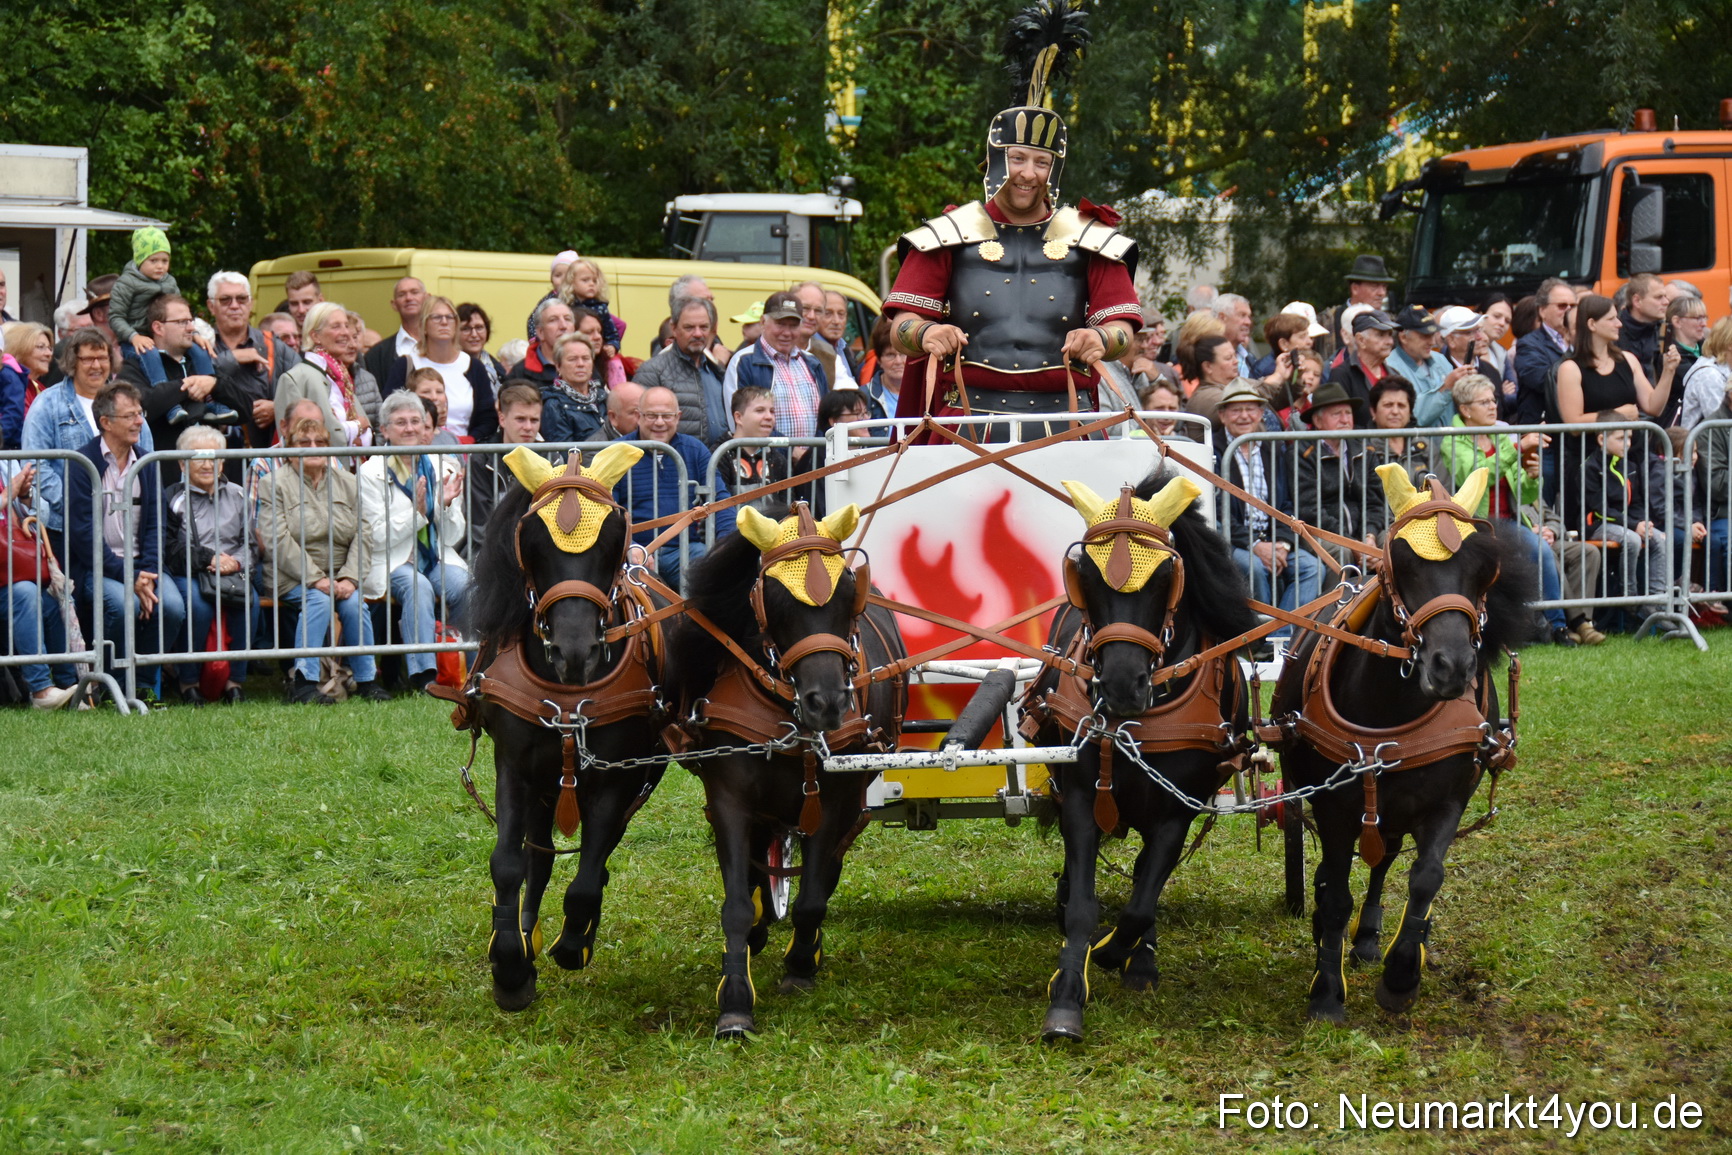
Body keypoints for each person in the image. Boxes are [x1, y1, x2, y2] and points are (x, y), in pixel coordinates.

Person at [881, 11, 1139, 434]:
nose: (1028, 173)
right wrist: (925, 333)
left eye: (1042, 162)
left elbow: (1123, 326)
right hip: (962, 422)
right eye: (1017, 158)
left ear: (1054, 169)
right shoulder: (949, 233)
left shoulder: (1089, 237)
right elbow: (900, 326)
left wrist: (1103, 339)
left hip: (1066, 420)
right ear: (996, 161)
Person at [1436, 374, 1575, 645]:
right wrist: (1516, 448)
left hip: (1508, 521)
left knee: (1542, 552)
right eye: (1483, 402)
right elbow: (1476, 475)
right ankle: (1518, 630)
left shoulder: (1500, 437)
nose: (1492, 407)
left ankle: (1557, 625)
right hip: (1473, 524)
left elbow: (1524, 493)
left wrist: (1533, 477)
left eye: (1493, 400)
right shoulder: (1453, 441)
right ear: (1465, 410)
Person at [258, 416, 388, 704]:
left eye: (320, 442)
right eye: (304, 442)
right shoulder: (273, 484)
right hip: (290, 574)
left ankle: (367, 681)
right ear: (289, 447)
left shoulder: (348, 482)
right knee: (317, 600)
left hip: (341, 574)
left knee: (355, 604)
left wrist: (350, 578)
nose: (313, 447)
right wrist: (316, 579)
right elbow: (276, 540)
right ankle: (304, 682)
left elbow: (363, 534)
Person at [65, 382, 190, 678]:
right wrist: (130, 576)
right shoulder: (82, 464)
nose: (139, 421)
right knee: (124, 607)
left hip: (144, 567)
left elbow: (156, 525)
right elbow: (84, 538)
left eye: (140, 413)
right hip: (99, 568)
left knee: (171, 607)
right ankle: (110, 680)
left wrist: (144, 573)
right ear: (106, 422)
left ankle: (143, 684)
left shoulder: (146, 462)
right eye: (130, 415)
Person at [359, 392, 468, 695]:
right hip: (393, 561)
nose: (409, 429)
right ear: (385, 431)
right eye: (400, 423)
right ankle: (424, 677)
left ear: (425, 428)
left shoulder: (443, 466)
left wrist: (444, 506)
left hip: (435, 557)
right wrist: (418, 514)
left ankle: (475, 670)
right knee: (417, 586)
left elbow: (452, 536)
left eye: (415, 422)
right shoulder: (370, 472)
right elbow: (377, 537)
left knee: (465, 584)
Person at [1212, 381, 1319, 648]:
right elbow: (1219, 512)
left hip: (1273, 538)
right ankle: (1256, 641)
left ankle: (1280, 638)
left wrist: (1281, 544)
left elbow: (1286, 504)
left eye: (1250, 409)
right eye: (1236, 410)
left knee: (1311, 567)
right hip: (1233, 540)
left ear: (1261, 414)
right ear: (1223, 415)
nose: (1244, 416)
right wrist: (1256, 546)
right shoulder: (1212, 450)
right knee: (1255, 568)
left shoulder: (1274, 447)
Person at [21, 327, 155, 542]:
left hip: (123, 525)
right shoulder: (47, 404)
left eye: (102, 358)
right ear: (73, 362)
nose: (96, 366)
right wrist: (73, 502)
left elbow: (146, 457)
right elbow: (35, 463)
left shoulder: (127, 400)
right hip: (68, 527)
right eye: (88, 359)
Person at [162, 426, 259, 704]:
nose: (207, 464)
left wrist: (236, 563)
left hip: (232, 571)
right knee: (197, 604)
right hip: (190, 571)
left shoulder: (239, 495)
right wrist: (209, 560)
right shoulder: (173, 498)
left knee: (248, 602)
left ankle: (234, 682)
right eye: (198, 457)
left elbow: (249, 543)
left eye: (213, 456)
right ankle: (188, 681)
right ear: (182, 463)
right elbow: (173, 549)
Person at [616, 386, 735, 586]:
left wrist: (726, 543)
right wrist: (630, 546)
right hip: (634, 550)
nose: (660, 422)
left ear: (678, 417)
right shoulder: (617, 452)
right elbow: (607, 511)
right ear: (639, 416)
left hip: (684, 550)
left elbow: (720, 499)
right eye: (652, 416)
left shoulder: (695, 450)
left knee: (716, 576)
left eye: (667, 415)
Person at [1574, 416, 1668, 625]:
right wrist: (1635, 525)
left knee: (1660, 538)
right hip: (1597, 525)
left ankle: (1656, 604)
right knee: (1632, 539)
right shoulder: (1589, 467)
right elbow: (1600, 509)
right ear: (1601, 440)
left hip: (1629, 524)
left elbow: (1638, 502)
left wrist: (1645, 523)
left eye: (1629, 438)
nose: (1626, 443)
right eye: (1620, 438)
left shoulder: (1631, 465)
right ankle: (1630, 600)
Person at [0, 458, 78, 708]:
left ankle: (70, 688)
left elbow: (43, 515)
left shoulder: (6, 464)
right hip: (11, 583)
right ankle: (41, 690)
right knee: (24, 593)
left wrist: (24, 498)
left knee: (52, 597)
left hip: (12, 571)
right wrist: (5, 497)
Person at [115, 294, 240, 450]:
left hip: (210, 469)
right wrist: (186, 386)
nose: (191, 328)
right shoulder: (135, 366)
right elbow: (145, 404)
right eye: (182, 322)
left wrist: (214, 384)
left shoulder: (200, 361)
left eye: (190, 321)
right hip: (163, 469)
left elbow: (245, 410)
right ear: (158, 328)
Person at [381, 295, 498, 443]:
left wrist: (469, 440)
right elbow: (390, 410)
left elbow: (487, 417)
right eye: (436, 317)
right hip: (418, 451)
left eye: (450, 317)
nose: (444, 322)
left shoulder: (473, 366)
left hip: (464, 452)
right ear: (424, 325)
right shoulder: (406, 364)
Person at [206, 271, 300, 449]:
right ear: (211, 306)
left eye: (241, 299)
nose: (234, 306)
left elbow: (304, 389)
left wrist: (277, 407)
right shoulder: (200, 344)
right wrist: (232, 358)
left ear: (250, 304)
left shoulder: (275, 346)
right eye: (225, 300)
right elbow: (188, 381)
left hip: (266, 454)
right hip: (211, 455)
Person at [723, 292, 826, 437]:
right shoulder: (743, 362)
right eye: (780, 324)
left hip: (812, 459)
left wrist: (815, 454)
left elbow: (826, 419)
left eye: (793, 326)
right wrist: (788, 450)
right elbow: (739, 424)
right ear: (763, 322)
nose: (786, 332)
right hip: (765, 458)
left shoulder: (812, 363)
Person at [463, 383, 547, 561]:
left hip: (541, 549)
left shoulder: (552, 457)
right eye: (520, 419)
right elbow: (480, 527)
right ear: (502, 419)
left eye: (534, 420)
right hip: (491, 551)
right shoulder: (481, 460)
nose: (528, 427)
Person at [1289, 382, 1370, 564]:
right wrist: (1350, 542)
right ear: (1318, 422)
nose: (1345, 420)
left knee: (1392, 544)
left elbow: (1375, 501)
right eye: (1336, 414)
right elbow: (1310, 510)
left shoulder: (1364, 448)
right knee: (1342, 552)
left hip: (1361, 533)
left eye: (1348, 413)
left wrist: (1369, 535)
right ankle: (1341, 593)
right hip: (1320, 533)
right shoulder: (1302, 453)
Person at [274, 303, 373, 447]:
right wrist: (356, 427)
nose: (346, 332)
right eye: (336, 326)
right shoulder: (294, 379)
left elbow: (367, 428)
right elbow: (296, 438)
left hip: (353, 469)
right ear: (315, 336)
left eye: (346, 325)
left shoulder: (341, 376)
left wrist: (360, 432)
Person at [632, 295, 727, 443]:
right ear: (674, 328)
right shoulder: (653, 371)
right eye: (689, 327)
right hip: (674, 463)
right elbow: (636, 426)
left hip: (715, 464)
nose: (697, 333)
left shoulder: (716, 371)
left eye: (703, 327)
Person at [1359, 375, 1434, 523]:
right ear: (1373, 411)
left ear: (1410, 411)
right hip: (1383, 527)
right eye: (1388, 405)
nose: (1395, 411)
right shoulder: (1364, 449)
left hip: (1427, 524)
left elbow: (1442, 488)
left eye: (1401, 405)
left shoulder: (1424, 446)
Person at [1387, 306, 1466, 429]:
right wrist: (1445, 388)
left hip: (1451, 445)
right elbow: (1414, 416)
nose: (1432, 342)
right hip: (1418, 446)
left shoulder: (1440, 360)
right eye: (1424, 335)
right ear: (1403, 337)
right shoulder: (1390, 367)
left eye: (1433, 334)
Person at [110, 227, 182, 357]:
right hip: (134, 340)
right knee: (150, 354)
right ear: (140, 260)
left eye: (164, 261)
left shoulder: (170, 282)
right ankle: (160, 379)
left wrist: (194, 334)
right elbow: (116, 317)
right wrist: (134, 336)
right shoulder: (126, 282)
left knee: (198, 350)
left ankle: (210, 377)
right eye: (153, 260)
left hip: (165, 337)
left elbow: (181, 312)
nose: (160, 266)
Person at [1513, 277, 1576, 426]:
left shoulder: (1582, 341)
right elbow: (1542, 381)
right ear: (1542, 310)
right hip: (1543, 433)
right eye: (1562, 306)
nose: (1568, 310)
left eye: (1573, 306)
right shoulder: (1528, 344)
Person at [714, 386, 788, 511]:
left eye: (772, 411)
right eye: (760, 410)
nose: (769, 417)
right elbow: (720, 509)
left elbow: (787, 505)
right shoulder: (719, 455)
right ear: (738, 417)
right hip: (734, 529)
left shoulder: (777, 459)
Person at [1325, 308, 1398, 422]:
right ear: (1361, 340)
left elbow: (1409, 418)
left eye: (1390, 335)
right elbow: (1338, 422)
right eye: (1381, 335)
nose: (1389, 342)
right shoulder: (1342, 375)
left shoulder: (1395, 376)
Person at [538, 334, 608, 444]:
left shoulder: (604, 397)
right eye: (572, 359)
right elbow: (565, 453)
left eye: (585, 358)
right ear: (558, 366)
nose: (580, 364)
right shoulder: (554, 404)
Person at [361, 277, 427, 385]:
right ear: (394, 304)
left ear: (427, 298)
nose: (409, 298)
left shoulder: (448, 348)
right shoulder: (377, 355)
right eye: (402, 294)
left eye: (414, 292)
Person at [1657, 293, 1708, 426]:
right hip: (1679, 428)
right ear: (1677, 321)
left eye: (1704, 317)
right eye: (1697, 318)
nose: (1703, 324)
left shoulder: (1709, 349)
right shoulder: (1670, 356)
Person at [2, 322, 55, 444]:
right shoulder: (10, 385)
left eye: (49, 348)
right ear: (20, 348)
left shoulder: (40, 387)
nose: (48, 354)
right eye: (40, 347)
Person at [506, 298, 575, 390]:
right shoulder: (520, 374)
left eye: (567, 319)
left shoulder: (586, 365)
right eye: (553, 320)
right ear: (540, 332)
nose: (563, 326)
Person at [1681, 317, 1732, 430]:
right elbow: (1721, 423)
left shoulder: (1722, 370)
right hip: (1701, 446)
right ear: (1730, 344)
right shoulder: (1708, 375)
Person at [1616, 272, 1668, 380]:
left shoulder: (1665, 331)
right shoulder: (1615, 332)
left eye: (1665, 296)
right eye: (1659, 297)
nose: (1666, 302)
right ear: (1637, 301)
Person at [457, 303, 508, 402]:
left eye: (479, 327)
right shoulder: (450, 367)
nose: (474, 335)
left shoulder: (498, 370)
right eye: (466, 329)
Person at [861, 315, 905, 426]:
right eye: (890, 355)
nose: (898, 361)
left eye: (903, 354)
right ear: (879, 360)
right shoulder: (863, 397)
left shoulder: (924, 394)